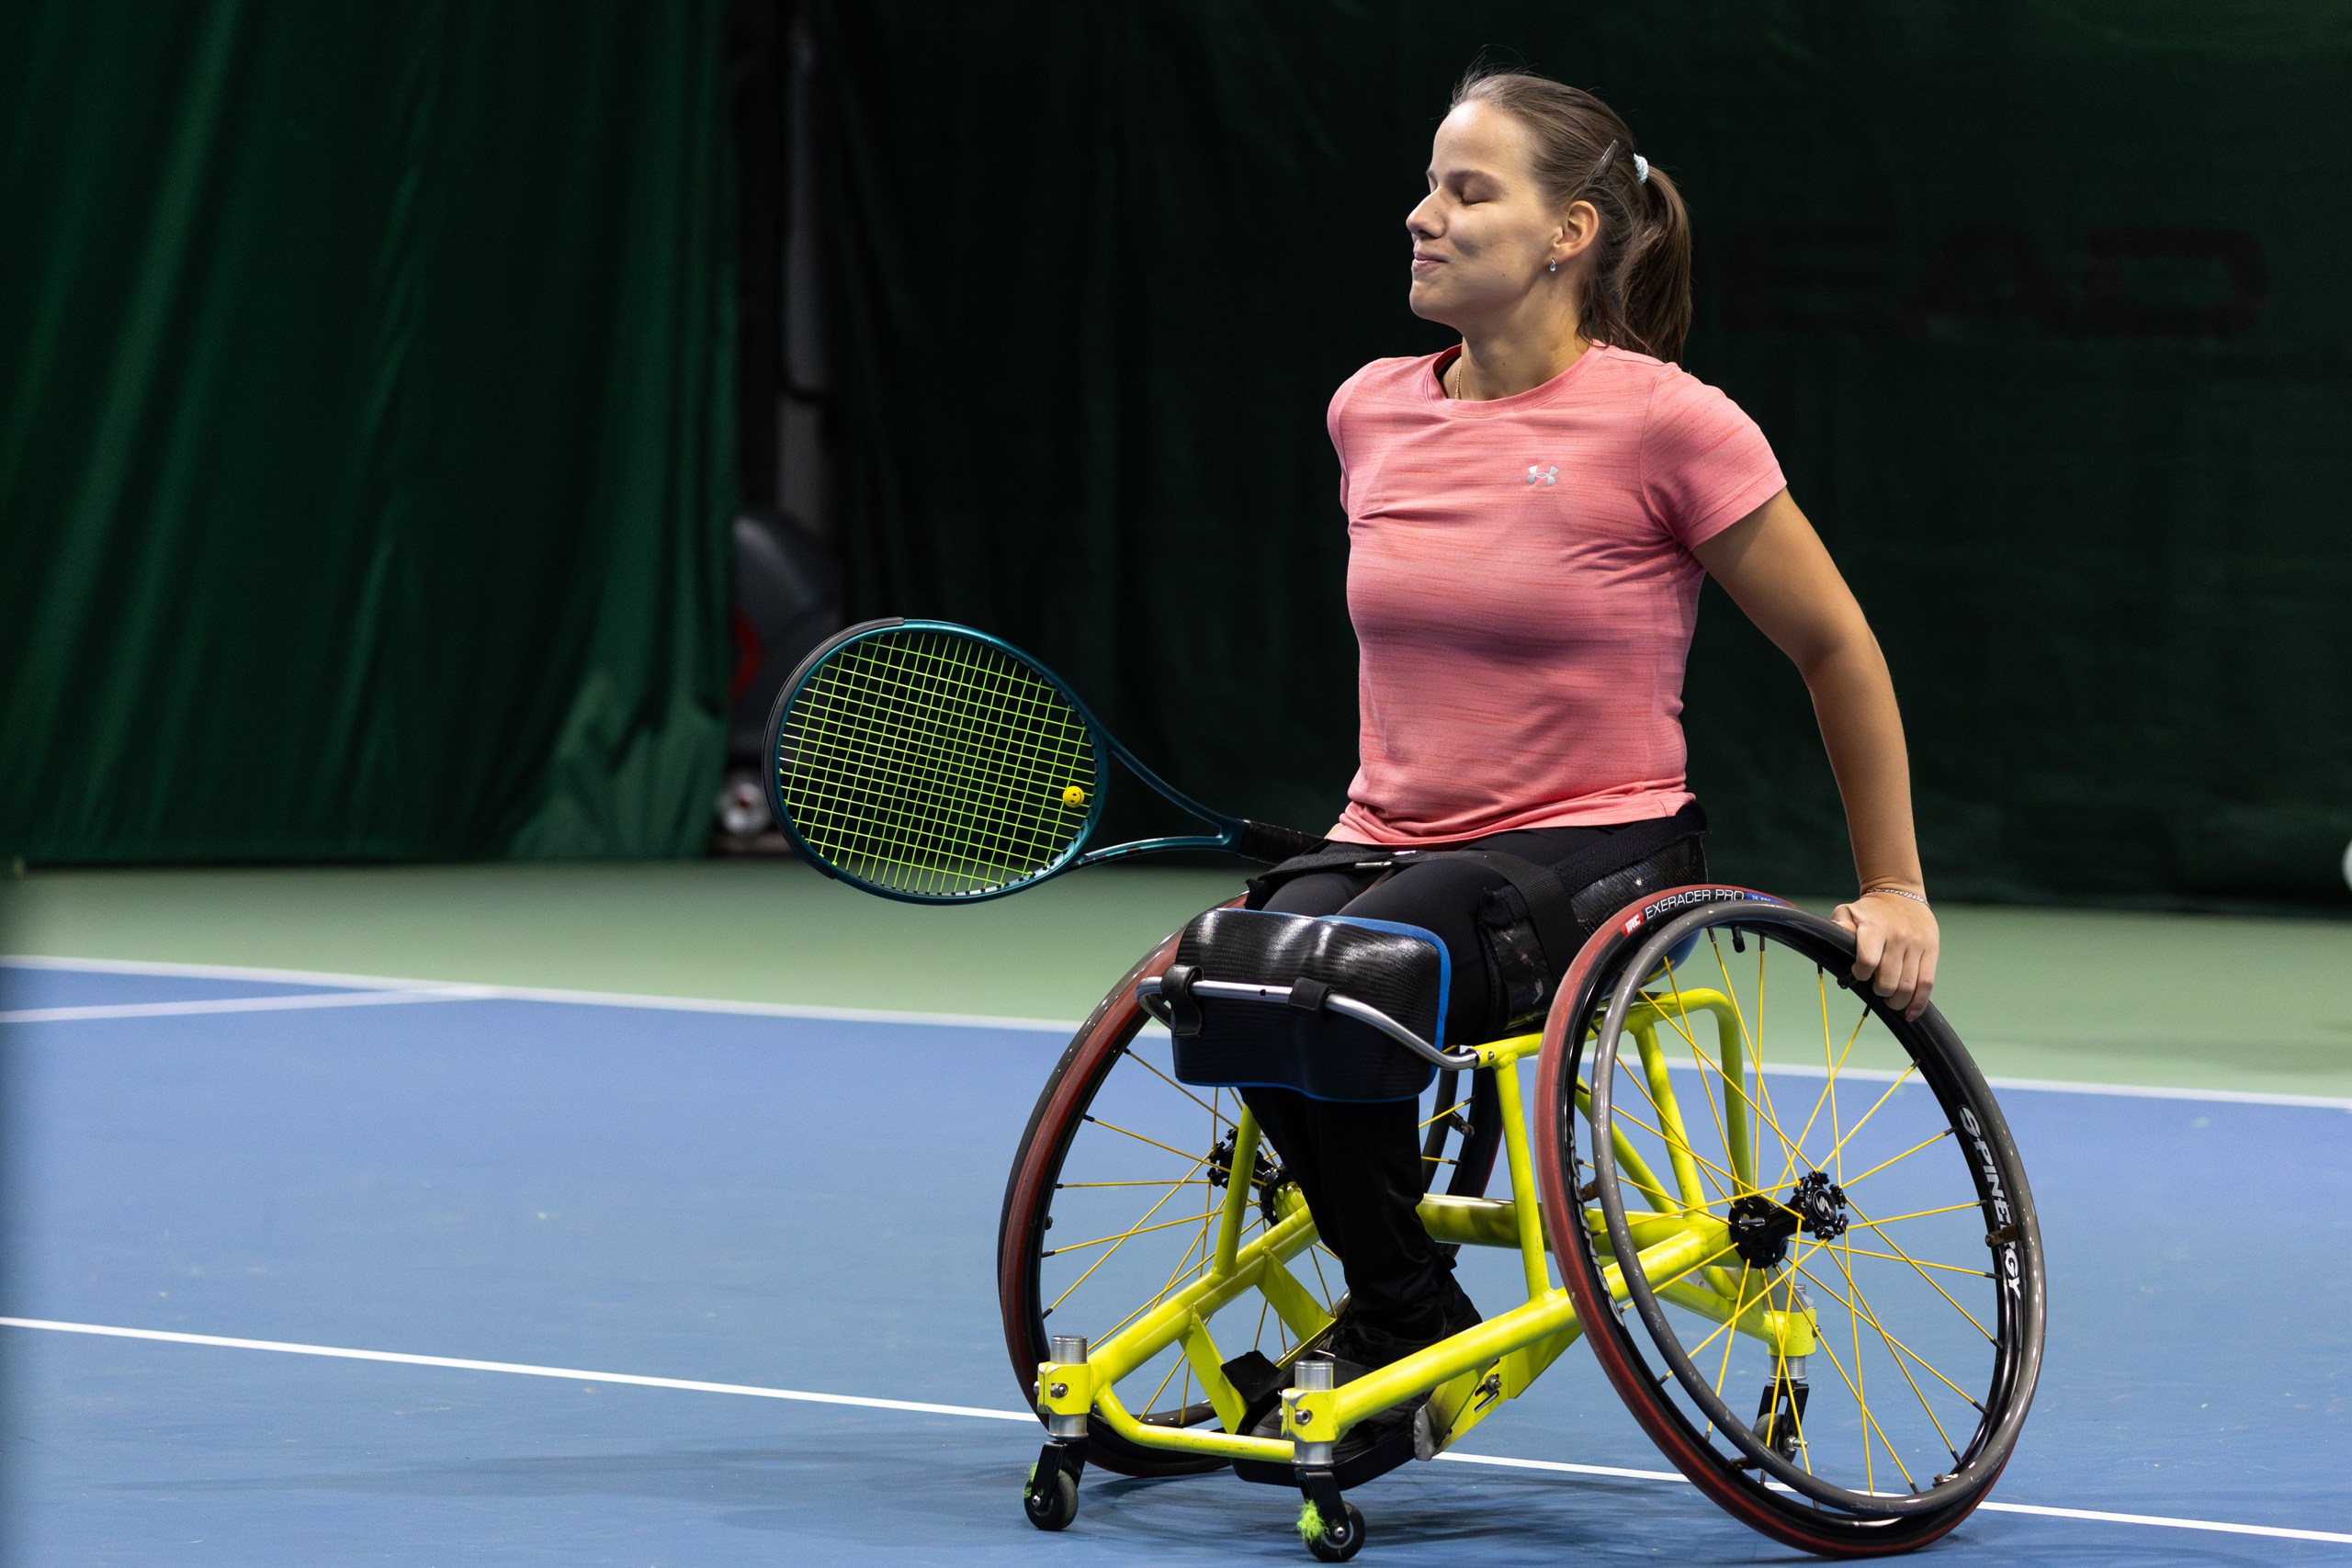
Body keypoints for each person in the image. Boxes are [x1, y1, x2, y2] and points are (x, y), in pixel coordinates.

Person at [1238, 68, 1940, 1409]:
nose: (1423, 216)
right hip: (1389, 840)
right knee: (1231, 973)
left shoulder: (1669, 421)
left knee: (1350, 974)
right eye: (1429, 186)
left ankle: (1393, 1324)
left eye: (1468, 192)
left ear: (1569, 233)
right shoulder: (1369, 409)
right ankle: (1408, 1304)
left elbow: (1837, 646)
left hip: (1599, 849)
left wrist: (1895, 884)